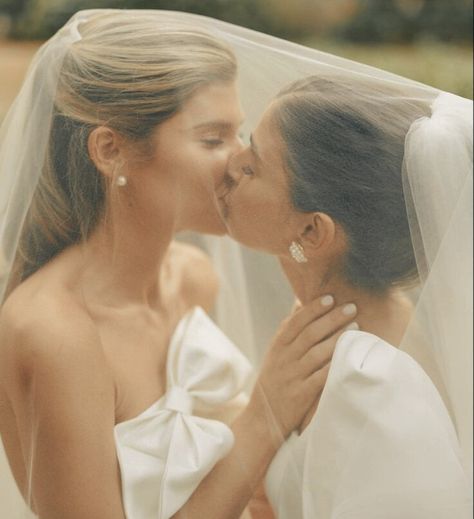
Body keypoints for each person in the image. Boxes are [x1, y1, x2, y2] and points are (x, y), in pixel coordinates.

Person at [0, 10, 355, 519]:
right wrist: (266, 415)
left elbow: (230, 484)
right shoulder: (56, 334)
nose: (239, 161)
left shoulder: (193, 279)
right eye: (212, 140)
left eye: (239, 134)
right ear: (110, 150)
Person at [217, 74, 473, 517]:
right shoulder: (332, 323)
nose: (230, 163)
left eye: (252, 164)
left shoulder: (370, 383)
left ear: (313, 231)